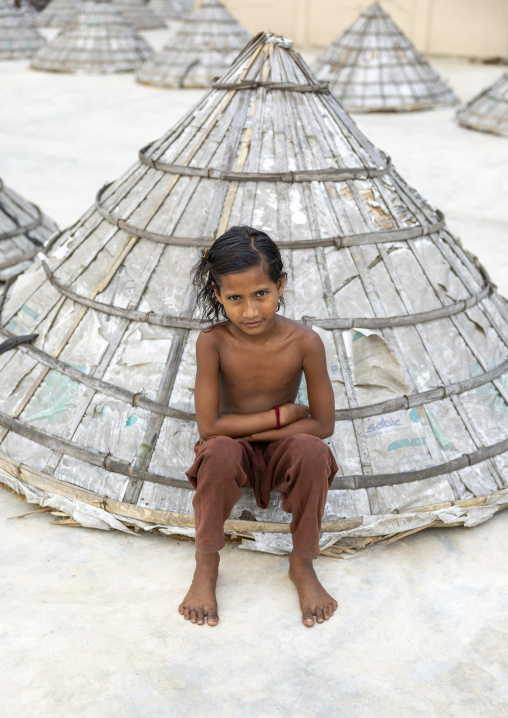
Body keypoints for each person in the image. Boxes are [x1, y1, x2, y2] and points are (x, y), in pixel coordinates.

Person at [179, 226, 339, 628]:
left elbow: (324, 424)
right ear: (218, 295)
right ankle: (206, 565)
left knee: (312, 451)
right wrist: (279, 416)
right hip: (235, 447)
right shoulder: (212, 342)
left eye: (260, 295)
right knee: (217, 452)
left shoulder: (305, 342)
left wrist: (252, 433)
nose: (250, 311)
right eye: (235, 298)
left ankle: (302, 564)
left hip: (284, 447)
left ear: (280, 285)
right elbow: (209, 427)